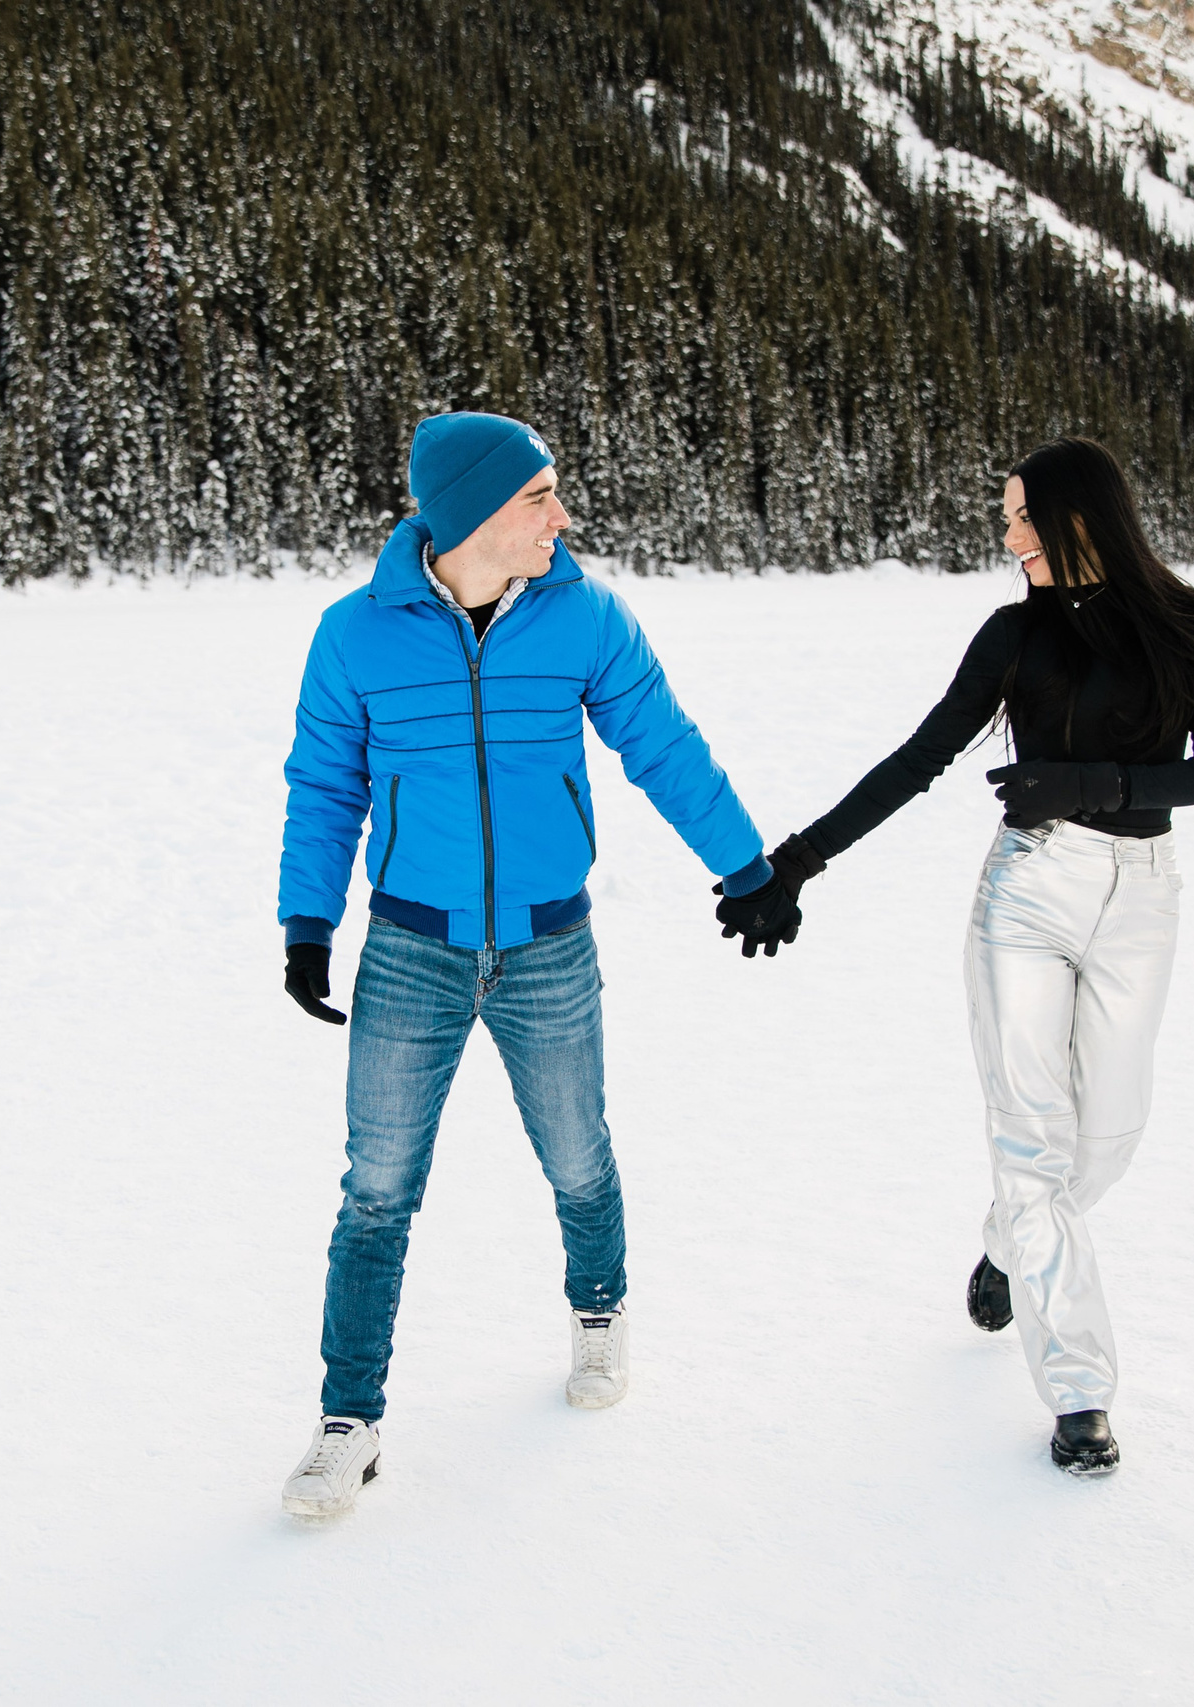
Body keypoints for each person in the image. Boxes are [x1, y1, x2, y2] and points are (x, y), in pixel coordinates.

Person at [273, 411, 803, 1519]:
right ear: (471, 514)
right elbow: (326, 786)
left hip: (548, 941)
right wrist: (308, 924)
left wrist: (746, 865)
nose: (561, 516)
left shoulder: (585, 617)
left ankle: (598, 1309)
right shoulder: (354, 635)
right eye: (538, 498)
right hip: (410, 949)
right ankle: (347, 1423)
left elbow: (660, 740)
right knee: (376, 1191)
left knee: (576, 1153)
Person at [757, 437, 1194, 1476]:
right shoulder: (1011, 635)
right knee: (1033, 1144)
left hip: (1143, 899)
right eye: (1008, 515)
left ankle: (1006, 1240)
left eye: (1021, 516)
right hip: (1027, 895)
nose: (1007, 534)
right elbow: (921, 755)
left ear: (1077, 518)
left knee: (1107, 1134)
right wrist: (797, 860)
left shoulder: (1185, 618)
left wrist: (1091, 785)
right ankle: (1080, 1393)